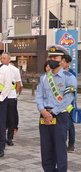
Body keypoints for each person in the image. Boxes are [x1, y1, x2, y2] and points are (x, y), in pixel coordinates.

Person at [36, 44, 77, 172]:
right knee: (46, 149)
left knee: (60, 148)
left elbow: (68, 99)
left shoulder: (69, 77)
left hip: (60, 116)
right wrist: (43, 111)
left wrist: (52, 113)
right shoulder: (44, 78)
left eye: (55, 57)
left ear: (63, 60)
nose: (52, 59)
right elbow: (39, 97)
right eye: (50, 57)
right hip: (44, 115)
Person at [1, 52, 21, 146]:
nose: (2, 60)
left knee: (11, 118)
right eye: (1, 58)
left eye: (4, 58)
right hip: (0, 97)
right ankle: (1, 137)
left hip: (11, 97)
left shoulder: (14, 70)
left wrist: (15, 94)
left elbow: (18, 84)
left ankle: (10, 138)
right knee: (1, 118)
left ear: (9, 59)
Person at [61, 55, 77, 153]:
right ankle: (61, 142)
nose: (61, 63)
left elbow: (71, 89)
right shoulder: (58, 72)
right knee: (61, 123)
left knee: (69, 123)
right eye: (61, 61)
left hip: (69, 103)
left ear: (68, 63)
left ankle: (71, 144)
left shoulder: (72, 74)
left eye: (63, 62)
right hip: (59, 102)